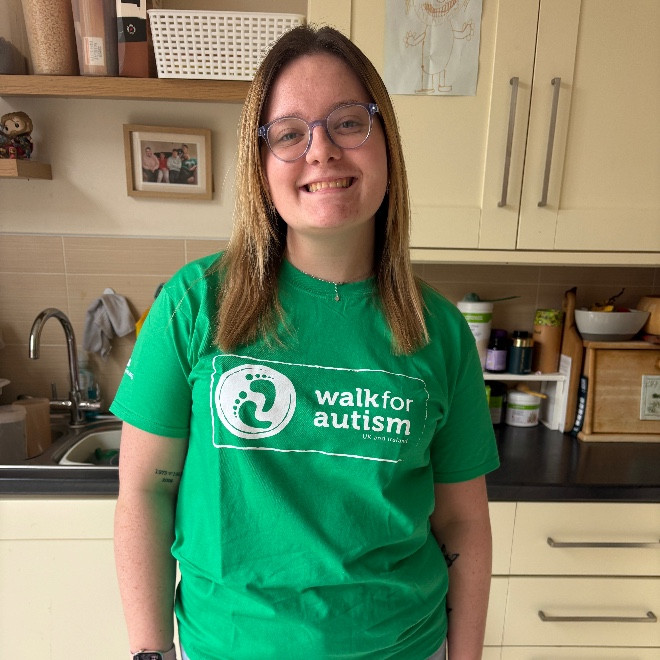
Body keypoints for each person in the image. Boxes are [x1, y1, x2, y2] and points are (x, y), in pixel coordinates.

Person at [112, 24, 499, 660]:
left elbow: (462, 522)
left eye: (348, 123)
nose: (322, 151)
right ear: (260, 164)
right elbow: (145, 492)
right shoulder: (194, 303)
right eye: (290, 134)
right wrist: (150, 654)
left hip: (406, 647)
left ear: (386, 143)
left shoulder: (440, 331)